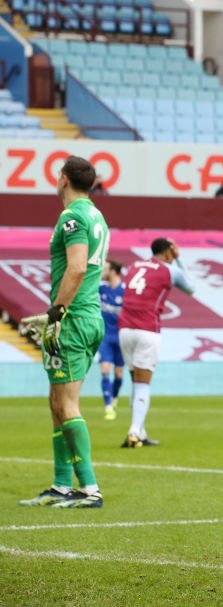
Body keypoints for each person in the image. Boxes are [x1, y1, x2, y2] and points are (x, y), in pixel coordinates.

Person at [18, 156, 109, 509]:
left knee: (67, 403)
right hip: (86, 317)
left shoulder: (73, 216)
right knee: (57, 401)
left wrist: (55, 312)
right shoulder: (96, 215)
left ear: (64, 179)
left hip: (72, 319)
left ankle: (89, 489)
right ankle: (60, 484)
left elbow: (76, 268)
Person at [118, 238, 195, 448]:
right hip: (147, 329)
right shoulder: (170, 270)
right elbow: (191, 288)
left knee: (135, 379)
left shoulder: (134, 266)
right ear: (169, 252)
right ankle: (134, 431)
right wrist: (179, 260)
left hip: (124, 329)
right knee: (143, 383)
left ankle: (140, 431)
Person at [98, 259, 125, 421]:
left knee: (119, 373)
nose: (103, 272)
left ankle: (114, 397)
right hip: (106, 337)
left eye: (106, 269)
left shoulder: (125, 291)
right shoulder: (101, 288)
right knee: (105, 370)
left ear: (113, 271)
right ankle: (108, 406)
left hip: (121, 337)